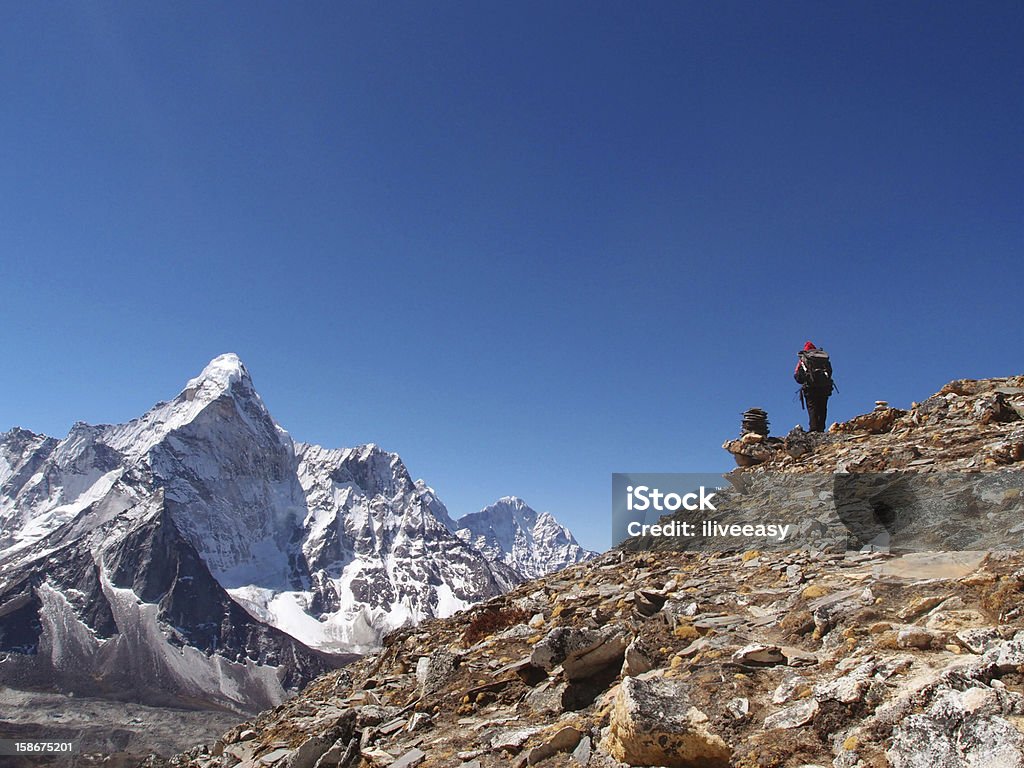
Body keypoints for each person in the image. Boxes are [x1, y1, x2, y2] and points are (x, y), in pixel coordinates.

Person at [794, 341, 834, 432]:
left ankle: (814, 429)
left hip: (810, 388)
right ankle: (821, 428)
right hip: (824, 387)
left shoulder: (804, 358)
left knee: (812, 407)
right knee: (822, 407)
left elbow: (797, 376)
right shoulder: (822, 357)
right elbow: (830, 372)